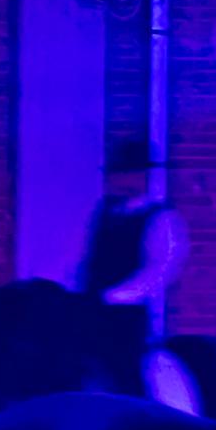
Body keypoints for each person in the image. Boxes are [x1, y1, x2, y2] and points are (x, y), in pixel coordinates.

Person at [80, 141, 189, 395]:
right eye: (119, 174)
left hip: (126, 316)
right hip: (92, 309)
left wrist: (115, 296)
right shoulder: (106, 212)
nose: (123, 180)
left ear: (144, 176)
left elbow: (159, 270)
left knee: (128, 374)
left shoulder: (160, 217)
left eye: (130, 173)